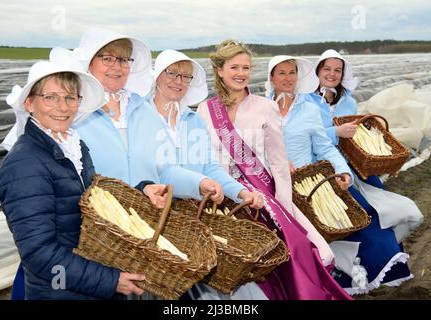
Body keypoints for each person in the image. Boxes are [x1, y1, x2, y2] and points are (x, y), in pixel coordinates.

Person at [196, 40, 352, 300]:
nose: (241, 73)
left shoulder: (264, 107)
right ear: (220, 70)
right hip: (221, 199)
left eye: (245, 67)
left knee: (297, 252)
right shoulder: (205, 109)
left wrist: (284, 206)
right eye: (234, 66)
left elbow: (279, 161)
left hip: (261, 196)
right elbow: (202, 158)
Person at [0, 48, 145, 299]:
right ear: (29, 103)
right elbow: (39, 254)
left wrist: (143, 190)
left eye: (70, 97)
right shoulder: (24, 164)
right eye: (50, 97)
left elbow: (91, 201)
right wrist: (109, 281)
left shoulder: (72, 145)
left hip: (86, 280)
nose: (62, 107)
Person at [150, 49, 266, 299]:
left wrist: (241, 192)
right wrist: (200, 182)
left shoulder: (192, 119)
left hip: (195, 215)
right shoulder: (142, 117)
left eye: (186, 76)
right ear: (157, 75)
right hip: (157, 217)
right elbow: (159, 169)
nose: (178, 81)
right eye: (172, 73)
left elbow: (210, 167)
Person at [305, 49, 423, 293]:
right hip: (319, 167)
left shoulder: (347, 99)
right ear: (317, 71)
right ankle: (346, 274)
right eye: (327, 68)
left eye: (337, 70)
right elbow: (302, 137)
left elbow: (356, 137)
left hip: (350, 166)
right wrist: (334, 133)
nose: (332, 74)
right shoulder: (304, 100)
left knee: (375, 213)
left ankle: (385, 266)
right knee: (345, 218)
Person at [72, 28, 223, 204]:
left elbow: (164, 170)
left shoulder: (144, 112)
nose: (117, 66)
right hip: (93, 224)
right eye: (107, 58)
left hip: (145, 221)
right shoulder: (74, 113)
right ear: (89, 63)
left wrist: (199, 183)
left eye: (123, 60)